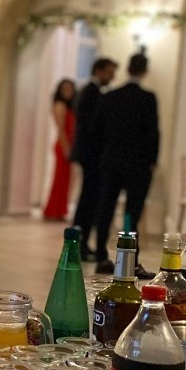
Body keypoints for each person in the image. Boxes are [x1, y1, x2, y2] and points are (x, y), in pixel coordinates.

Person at [92, 51, 159, 274]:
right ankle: (131, 260)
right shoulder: (148, 98)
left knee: (106, 208)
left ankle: (102, 255)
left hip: (111, 161)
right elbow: (153, 132)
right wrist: (152, 161)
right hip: (138, 164)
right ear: (144, 71)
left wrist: (104, 156)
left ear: (127, 69)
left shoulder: (110, 96)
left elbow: (98, 131)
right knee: (132, 212)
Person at [70, 57, 118, 261]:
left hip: (91, 154)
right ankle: (79, 243)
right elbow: (91, 128)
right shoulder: (92, 92)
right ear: (99, 71)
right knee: (89, 200)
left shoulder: (92, 91)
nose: (113, 76)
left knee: (90, 199)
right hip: (92, 155)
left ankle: (82, 242)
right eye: (110, 72)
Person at [43, 79, 76, 220]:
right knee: (59, 179)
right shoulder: (60, 105)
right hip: (63, 145)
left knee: (66, 180)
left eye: (70, 89)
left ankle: (60, 210)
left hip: (69, 145)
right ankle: (52, 210)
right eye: (65, 89)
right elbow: (61, 129)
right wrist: (67, 148)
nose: (68, 92)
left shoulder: (71, 107)